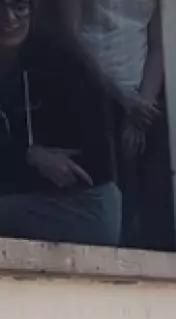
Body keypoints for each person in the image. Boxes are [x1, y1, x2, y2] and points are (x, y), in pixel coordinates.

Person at [0, 0, 120, 246]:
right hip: (25, 197)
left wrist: (27, 157)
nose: (9, 18)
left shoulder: (63, 62)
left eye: (19, 7)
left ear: (33, 9)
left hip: (86, 203)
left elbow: (92, 164)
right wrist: (29, 155)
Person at [57, 0, 172, 250]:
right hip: (89, 95)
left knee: (147, 199)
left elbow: (158, 46)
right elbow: (70, 39)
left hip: (141, 100)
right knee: (104, 198)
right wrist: (121, 97)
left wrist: (143, 106)